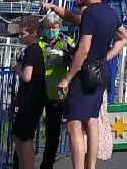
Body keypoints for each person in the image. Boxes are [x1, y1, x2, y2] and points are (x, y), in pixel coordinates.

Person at [56, 0, 127, 169]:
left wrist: (67, 78)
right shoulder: (111, 13)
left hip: (85, 73)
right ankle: (91, 166)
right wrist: (106, 57)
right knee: (92, 120)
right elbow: (124, 37)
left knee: (73, 124)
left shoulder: (90, 14)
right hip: (101, 70)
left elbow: (84, 48)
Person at [37, 11, 75, 169]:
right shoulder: (38, 42)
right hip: (38, 90)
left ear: (59, 26)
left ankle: (47, 165)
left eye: (54, 27)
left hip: (57, 94)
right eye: (48, 27)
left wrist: (64, 56)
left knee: (53, 133)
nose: (51, 30)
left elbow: (75, 61)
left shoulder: (67, 42)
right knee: (29, 129)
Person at [10, 15, 46, 169]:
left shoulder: (32, 51)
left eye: (23, 33)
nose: (20, 36)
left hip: (31, 100)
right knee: (19, 135)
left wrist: (17, 68)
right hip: (30, 99)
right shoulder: (33, 50)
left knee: (25, 138)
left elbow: (27, 77)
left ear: (33, 33)